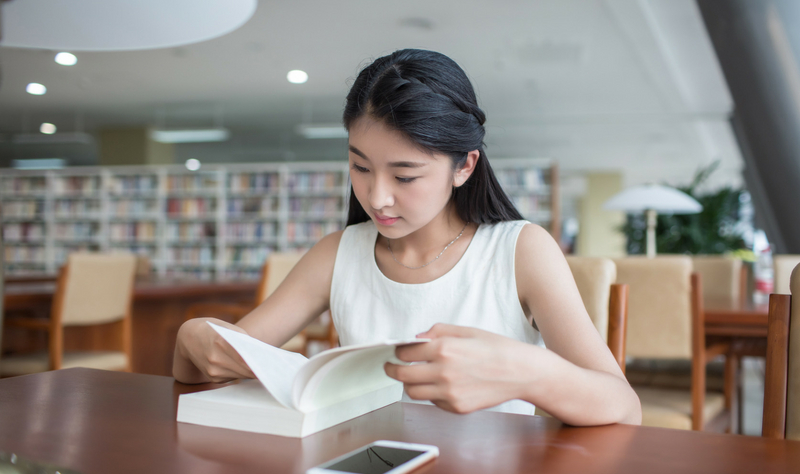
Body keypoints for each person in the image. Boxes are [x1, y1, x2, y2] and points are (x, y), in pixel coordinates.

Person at [173, 49, 642, 426]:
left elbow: (623, 405)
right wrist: (192, 336)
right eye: (360, 166)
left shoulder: (519, 250)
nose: (377, 197)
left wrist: (525, 372)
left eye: (405, 175)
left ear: (464, 166)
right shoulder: (338, 254)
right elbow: (220, 361)